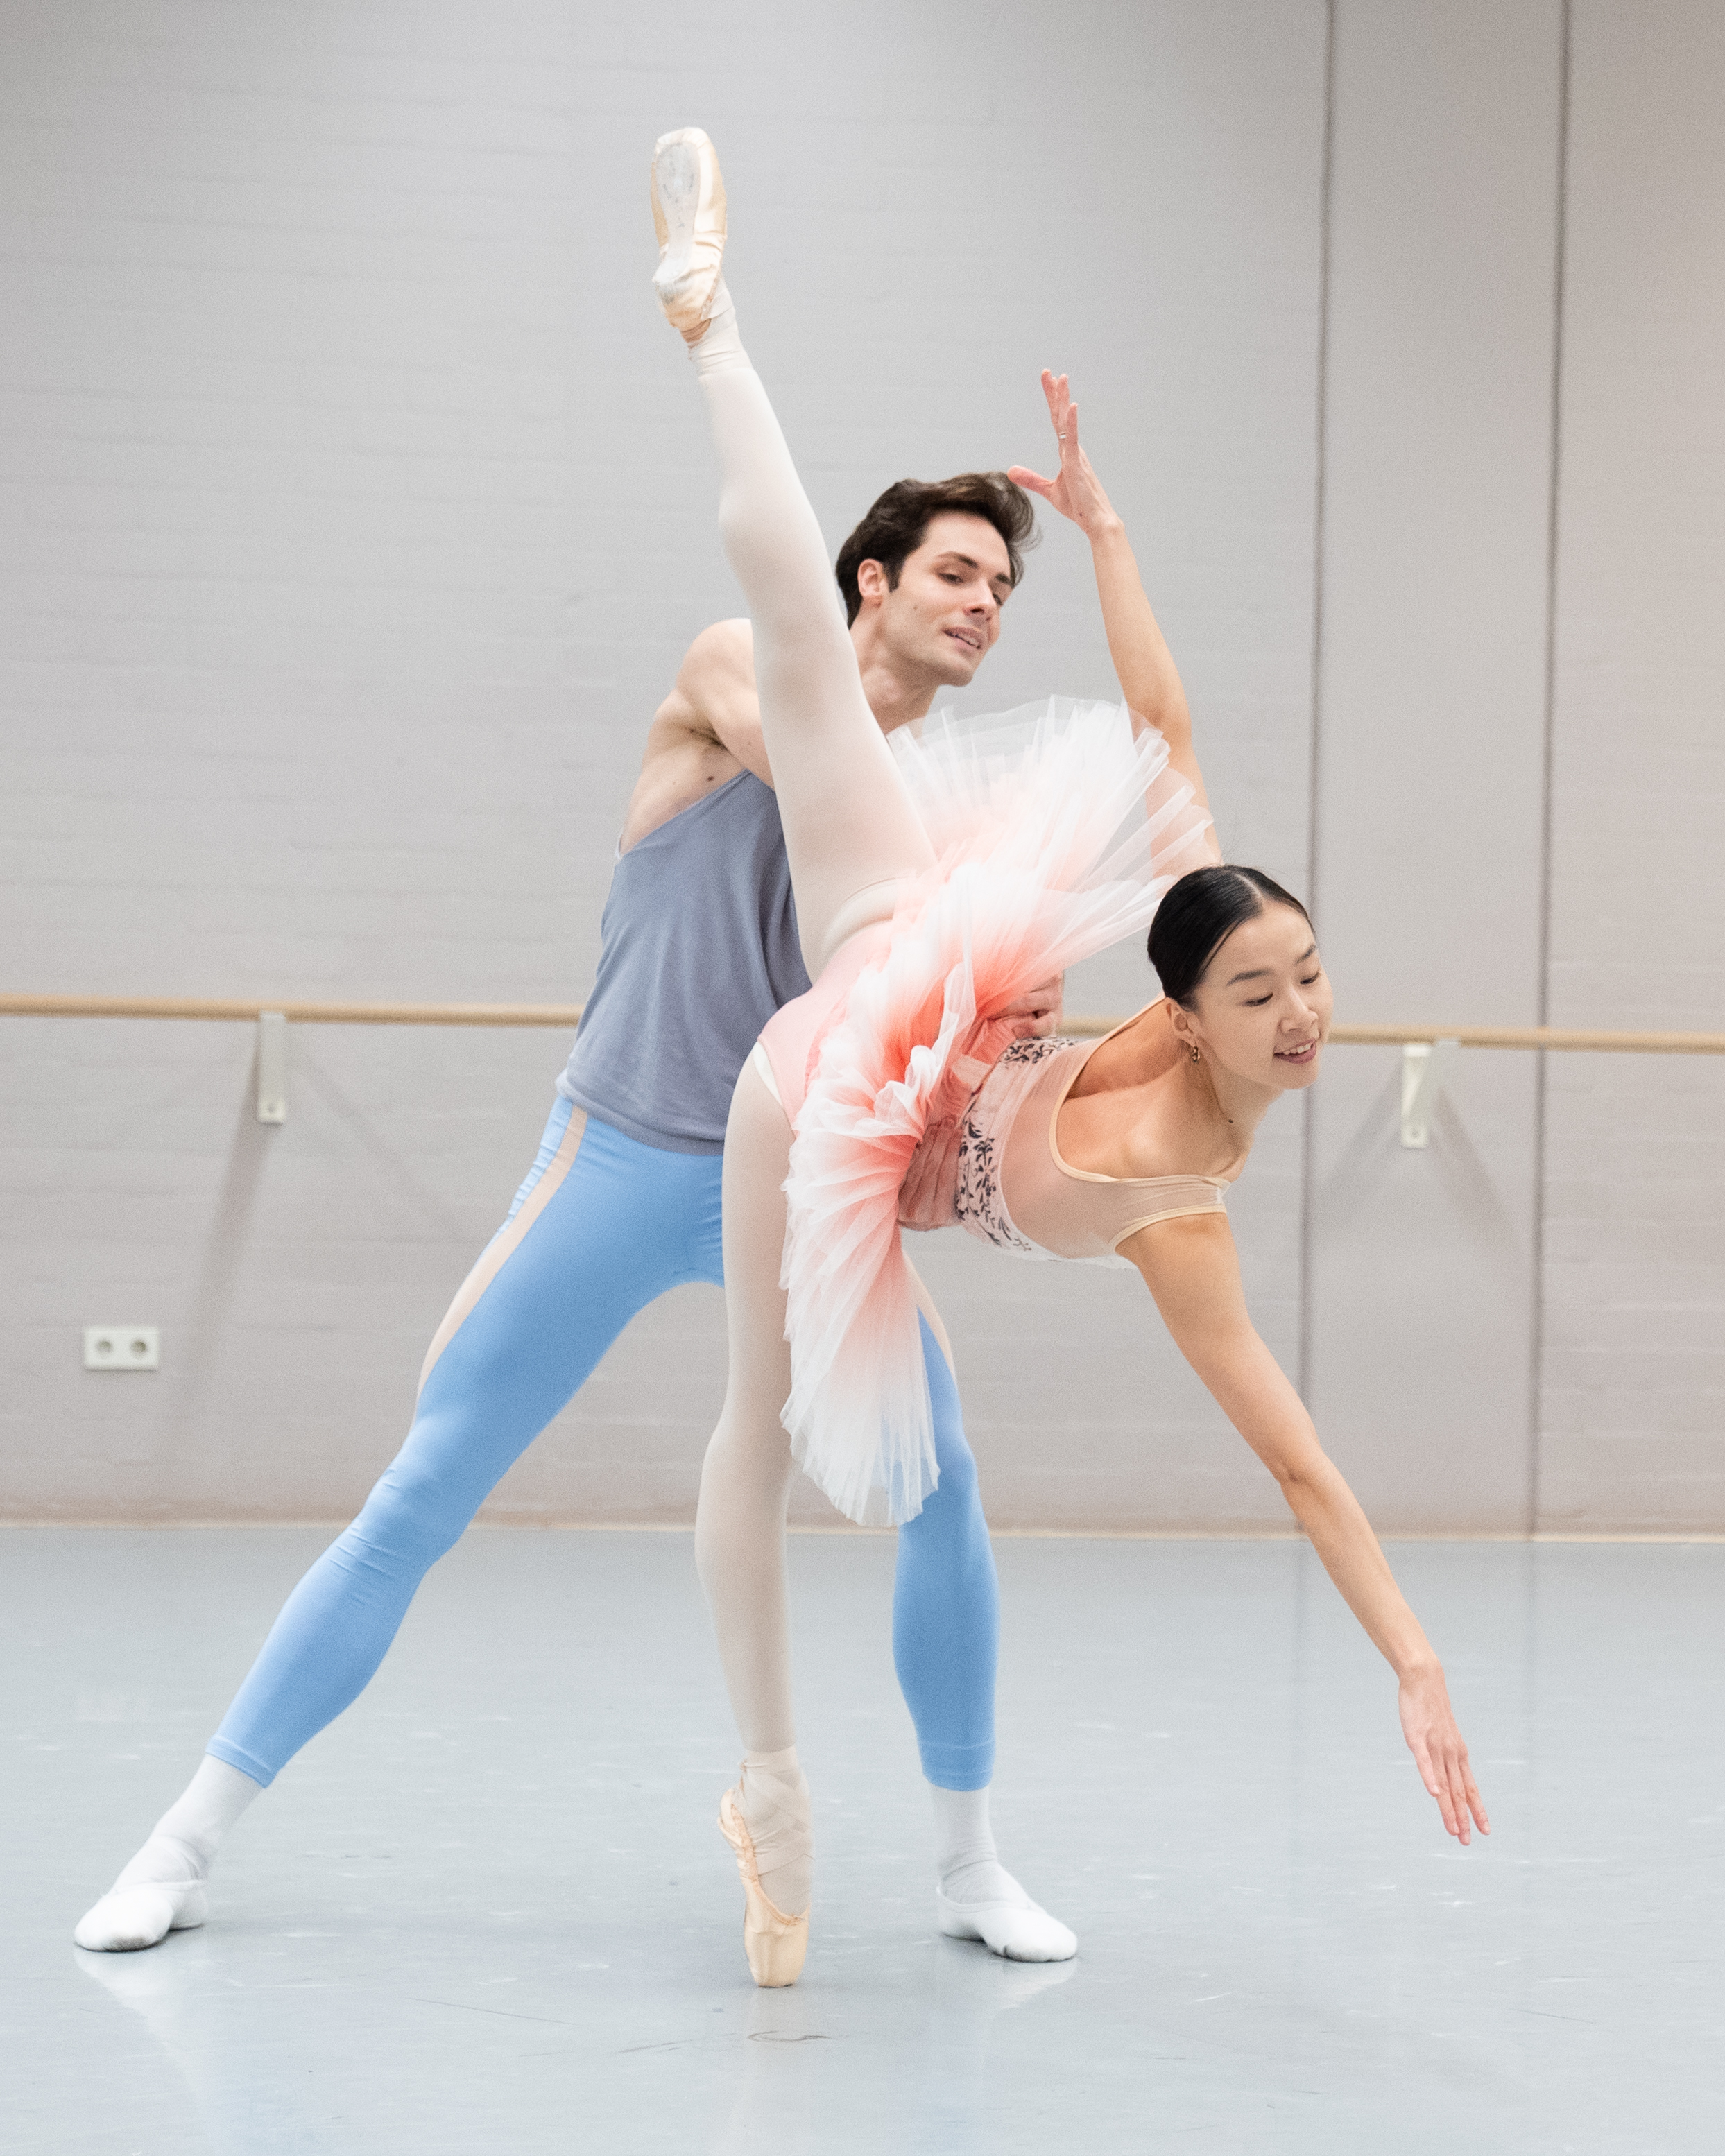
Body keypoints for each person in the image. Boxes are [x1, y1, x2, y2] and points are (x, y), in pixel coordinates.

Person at [71, 346, 1065, 1960]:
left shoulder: (939, 802)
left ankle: (969, 1868)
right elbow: (818, 784)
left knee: (942, 1487)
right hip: (625, 1154)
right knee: (424, 1486)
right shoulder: (732, 664)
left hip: (798, 1189)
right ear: (865, 582)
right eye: (955, 572)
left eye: (1005, 589)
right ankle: (184, 1840)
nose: (984, 606)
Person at [646, 127, 1489, 1990]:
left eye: (1318, 980)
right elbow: (1167, 724)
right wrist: (1104, 533)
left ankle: (790, 1794)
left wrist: (1416, 1653)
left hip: (843, 1134)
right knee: (795, 645)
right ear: (1188, 1008)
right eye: (1269, 985)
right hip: (895, 994)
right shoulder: (1141, 1031)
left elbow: (1304, 1467)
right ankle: (709, 321)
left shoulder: (1185, 1217)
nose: (1307, 1014)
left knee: (785, 1431)